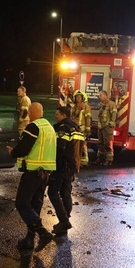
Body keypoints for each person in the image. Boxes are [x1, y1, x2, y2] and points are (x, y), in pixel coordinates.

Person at [7, 101, 57, 254]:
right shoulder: (49, 127)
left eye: (29, 112)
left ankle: (42, 233)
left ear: (32, 112)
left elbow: (23, 148)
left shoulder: (34, 127)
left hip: (33, 173)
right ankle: (29, 240)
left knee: (21, 203)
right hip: (45, 174)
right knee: (35, 206)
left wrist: (12, 152)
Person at [48, 106, 84, 236]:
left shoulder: (64, 128)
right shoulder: (77, 127)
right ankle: (65, 220)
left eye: (57, 114)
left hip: (62, 165)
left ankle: (64, 221)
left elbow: (59, 148)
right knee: (65, 192)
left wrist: (51, 165)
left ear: (63, 115)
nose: (55, 116)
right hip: (72, 165)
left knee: (52, 191)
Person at [71, 90, 92, 166]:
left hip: (82, 129)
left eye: (80, 97)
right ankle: (77, 160)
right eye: (77, 97)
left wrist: (88, 129)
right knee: (75, 145)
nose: (78, 98)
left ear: (82, 98)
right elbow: (72, 117)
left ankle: (84, 161)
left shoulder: (86, 107)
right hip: (74, 129)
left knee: (83, 145)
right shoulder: (74, 107)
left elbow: (88, 118)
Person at [96, 89, 117, 166]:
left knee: (107, 144)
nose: (99, 97)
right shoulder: (101, 105)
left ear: (105, 96)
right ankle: (100, 158)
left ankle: (109, 160)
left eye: (100, 95)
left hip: (107, 127)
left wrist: (111, 123)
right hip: (101, 127)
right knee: (100, 143)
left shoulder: (111, 104)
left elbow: (114, 114)